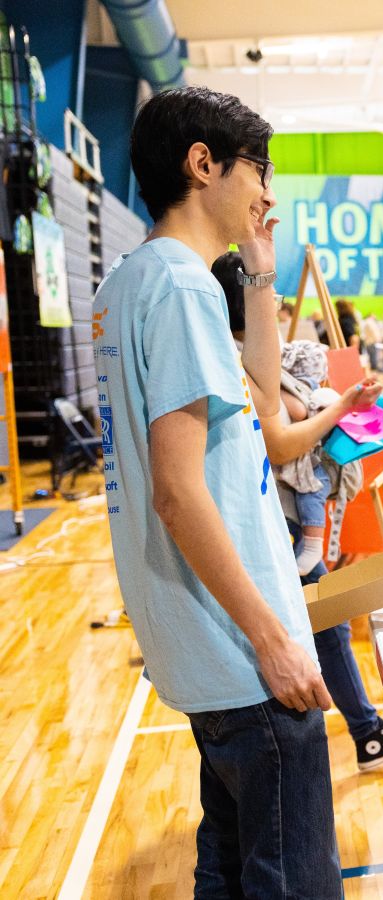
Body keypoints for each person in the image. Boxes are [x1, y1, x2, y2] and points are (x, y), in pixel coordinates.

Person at [92, 86, 340, 894]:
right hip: (243, 651)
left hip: (201, 645)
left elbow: (263, 405)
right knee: (292, 880)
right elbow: (176, 490)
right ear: (204, 164)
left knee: (230, 866)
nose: (270, 193)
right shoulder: (184, 289)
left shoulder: (132, 284)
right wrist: (272, 637)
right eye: (260, 170)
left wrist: (261, 273)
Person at [214, 252, 383, 773]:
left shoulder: (256, 359)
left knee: (329, 624)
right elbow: (278, 446)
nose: (275, 299)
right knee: (325, 625)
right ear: (243, 301)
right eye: (263, 288)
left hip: (288, 513)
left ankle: (364, 731)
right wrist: (338, 409)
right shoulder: (236, 363)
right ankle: (363, 732)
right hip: (282, 519)